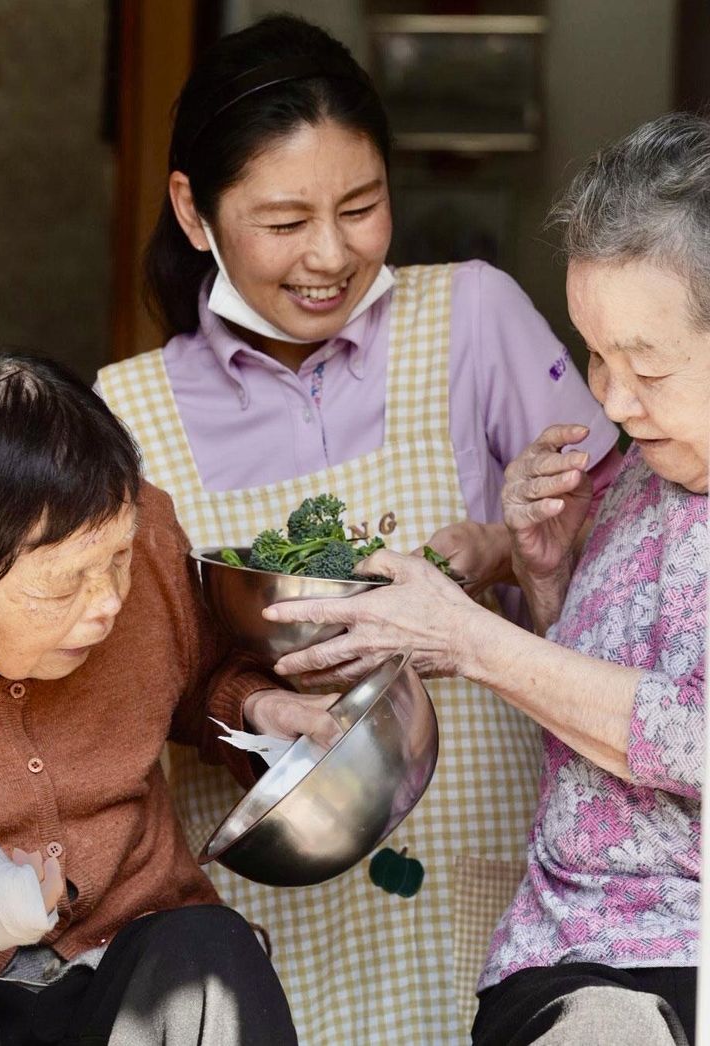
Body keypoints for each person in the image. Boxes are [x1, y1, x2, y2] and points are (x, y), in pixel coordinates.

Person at [95, 14, 623, 1043]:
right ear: (192, 212)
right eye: (284, 221)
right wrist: (245, 700)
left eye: (362, 205)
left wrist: (504, 546)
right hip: (263, 912)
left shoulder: (472, 318)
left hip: (493, 878)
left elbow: (635, 567)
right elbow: (123, 687)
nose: (331, 255)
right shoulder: (126, 414)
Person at [263, 112, 709, 1045]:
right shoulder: (640, 476)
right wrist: (545, 572)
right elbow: (590, 730)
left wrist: (471, 639)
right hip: (566, 952)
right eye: (596, 353)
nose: (613, 402)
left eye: (648, 368)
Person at [0, 354, 341, 1046]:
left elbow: (205, 674)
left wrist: (259, 709)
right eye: (62, 585)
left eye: (118, 559)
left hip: (140, 957)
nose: (109, 602)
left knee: (210, 952)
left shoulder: (150, 539)